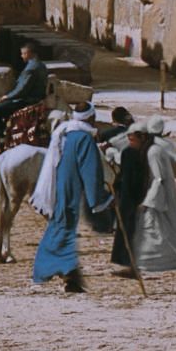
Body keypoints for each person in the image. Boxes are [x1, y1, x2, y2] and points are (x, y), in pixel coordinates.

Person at [30, 103, 110, 293]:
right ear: (91, 117)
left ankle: (69, 276)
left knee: (62, 228)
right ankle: (58, 273)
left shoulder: (68, 133)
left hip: (60, 188)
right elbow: (91, 172)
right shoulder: (84, 139)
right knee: (63, 230)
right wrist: (99, 199)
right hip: (69, 191)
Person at [134, 121, 176, 277]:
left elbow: (157, 179)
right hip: (161, 198)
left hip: (159, 200)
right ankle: (137, 264)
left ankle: (137, 265)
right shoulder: (161, 147)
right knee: (164, 232)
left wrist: (148, 202)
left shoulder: (153, 151)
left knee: (160, 232)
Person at [111, 127, 152, 277]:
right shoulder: (134, 152)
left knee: (133, 232)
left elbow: (134, 179)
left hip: (134, 199)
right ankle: (130, 265)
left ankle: (133, 266)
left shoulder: (139, 153)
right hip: (133, 198)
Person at [0, 42, 48, 139]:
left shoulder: (31, 68)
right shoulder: (41, 65)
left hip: (28, 100)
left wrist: (7, 97)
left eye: (23, 53)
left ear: (29, 53)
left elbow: (22, 90)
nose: (22, 56)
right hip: (36, 98)